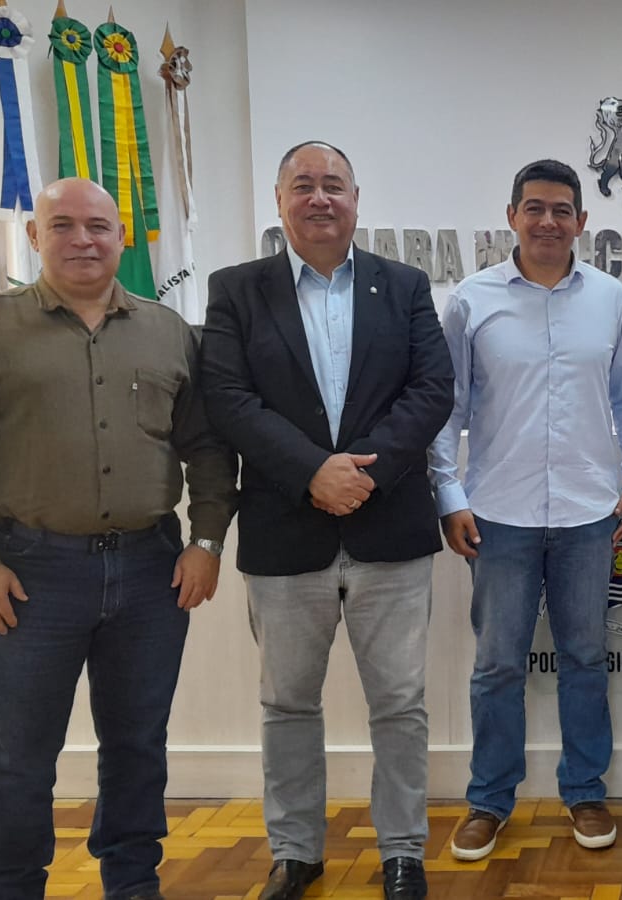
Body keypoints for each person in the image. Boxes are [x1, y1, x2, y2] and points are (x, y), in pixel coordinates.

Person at [0, 177, 236, 900]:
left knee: (136, 747)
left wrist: (206, 541)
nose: (82, 240)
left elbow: (209, 452)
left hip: (153, 570)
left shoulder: (169, 333)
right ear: (35, 237)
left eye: (98, 226)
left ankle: (131, 882)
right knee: (16, 755)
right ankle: (9, 887)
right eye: (62, 226)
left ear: (123, 236)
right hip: (31, 575)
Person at [200, 141, 454, 900]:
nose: (319, 198)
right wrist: (312, 470)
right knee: (286, 704)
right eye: (303, 185)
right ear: (279, 201)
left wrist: (357, 472)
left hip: (389, 534)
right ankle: (296, 853)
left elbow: (431, 390)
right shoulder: (236, 290)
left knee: (401, 705)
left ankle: (404, 853)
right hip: (286, 530)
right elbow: (227, 396)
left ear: (355, 199)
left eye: (333, 185)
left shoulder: (403, 286)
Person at [429, 159, 622, 861]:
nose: (548, 221)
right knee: (497, 666)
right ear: (512, 216)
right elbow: (448, 407)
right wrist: (449, 494)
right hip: (499, 513)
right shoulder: (471, 299)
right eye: (534, 208)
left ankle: (584, 790)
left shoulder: (611, 299)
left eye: (561, 210)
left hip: (589, 512)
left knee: (585, 656)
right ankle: (489, 800)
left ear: (582, 221)